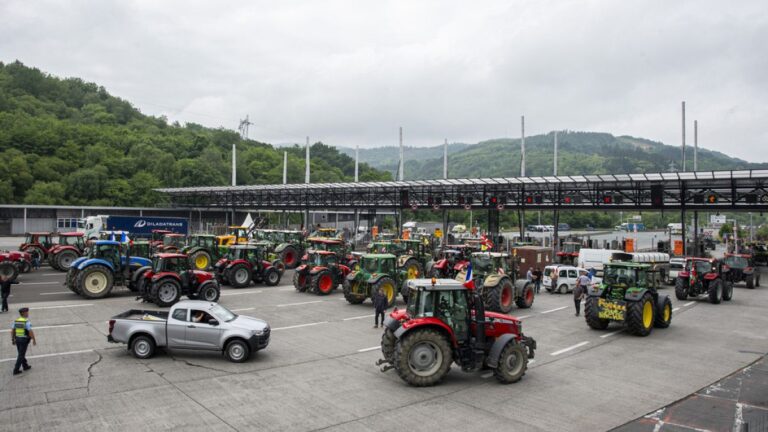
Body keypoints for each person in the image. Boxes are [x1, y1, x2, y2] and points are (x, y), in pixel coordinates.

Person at [11, 307, 36, 375]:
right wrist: (34, 339)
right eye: (26, 312)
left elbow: (13, 330)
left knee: (21, 353)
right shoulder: (26, 322)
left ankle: (25, 366)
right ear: (22, 313)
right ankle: (16, 370)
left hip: (17, 339)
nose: (27, 313)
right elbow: (30, 331)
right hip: (23, 340)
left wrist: (13, 339)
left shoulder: (16, 321)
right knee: (21, 355)